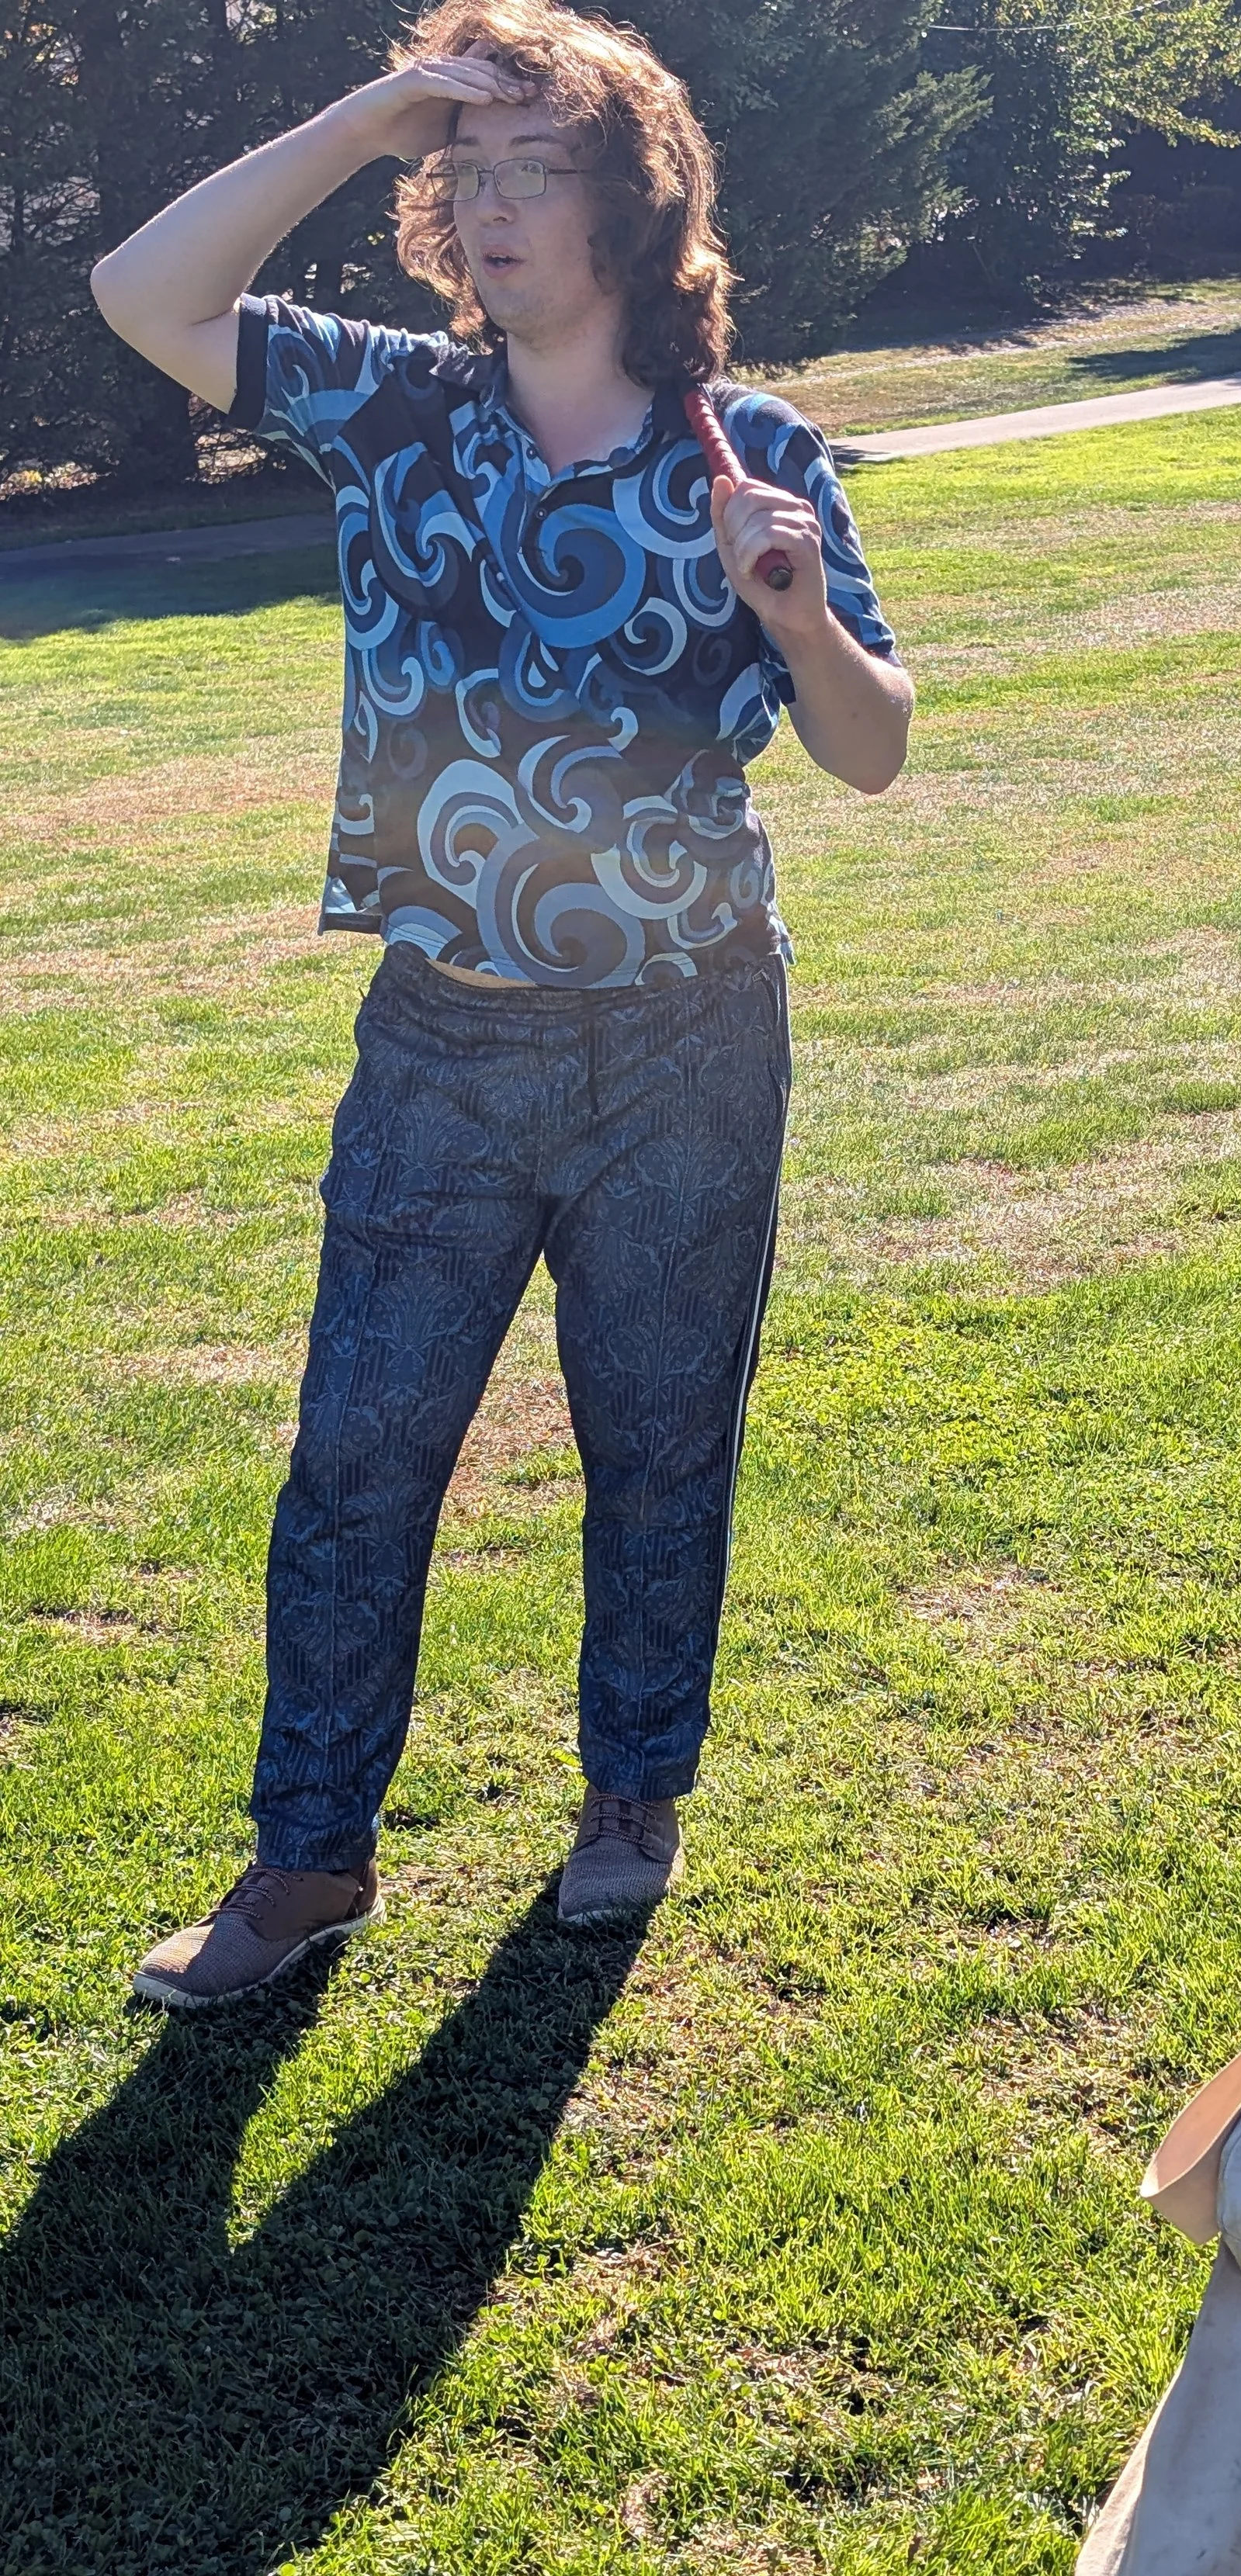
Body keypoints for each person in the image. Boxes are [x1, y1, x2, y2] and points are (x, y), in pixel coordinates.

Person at [91, 0, 912, 2006]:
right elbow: (141, 290)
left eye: (540, 164)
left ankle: (630, 1804)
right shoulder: (395, 409)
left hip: (688, 1040)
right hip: (443, 1034)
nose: (492, 198)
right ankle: (305, 1862)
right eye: (471, 170)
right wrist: (365, 117)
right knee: (359, 1453)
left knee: (656, 1441)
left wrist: (794, 607)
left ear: (636, 210)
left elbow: (872, 749)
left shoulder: (756, 453)